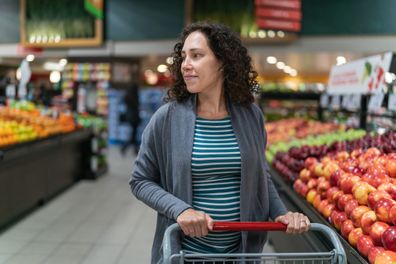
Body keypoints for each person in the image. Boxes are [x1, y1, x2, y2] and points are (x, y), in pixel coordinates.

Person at [129, 22, 310, 264]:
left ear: (223, 62)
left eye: (197, 55)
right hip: (186, 255)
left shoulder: (251, 115)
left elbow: (260, 175)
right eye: (183, 57)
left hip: (241, 254)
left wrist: (281, 214)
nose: (185, 65)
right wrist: (179, 209)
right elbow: (140, 180)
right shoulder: (167, 118)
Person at [121, 82, 141, 155]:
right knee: (133, 135)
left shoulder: (127, 96)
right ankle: (129, 148)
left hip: (130, 117)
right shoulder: (134, 96)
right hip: (134, 118)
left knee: (133, 134)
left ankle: (133, 149)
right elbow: (136, 107)